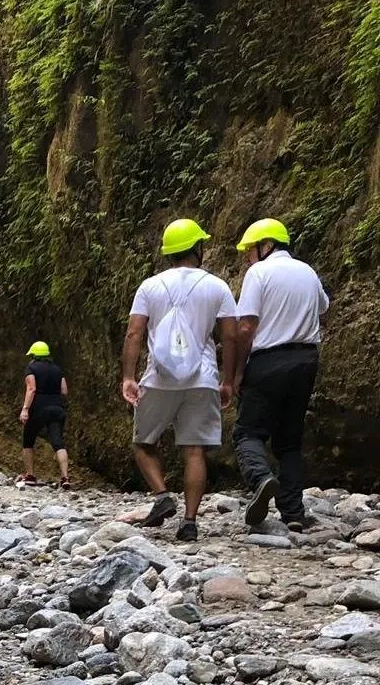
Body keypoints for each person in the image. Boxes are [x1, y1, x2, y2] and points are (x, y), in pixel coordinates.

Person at [120, 219, 237, 542]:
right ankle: (189, 521)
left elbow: (134, 332)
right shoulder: (217, 287)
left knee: (143, 443)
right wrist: (228, 380)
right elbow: (230, 336)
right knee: (194, 450)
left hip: (158, 378)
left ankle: (161, 495)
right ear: (197, 249)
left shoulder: (150, 286)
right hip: (203, 379)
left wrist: (128, 376)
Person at [230, 218, 329, 532]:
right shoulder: (308, 272)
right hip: (306, 358)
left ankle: (261, 479)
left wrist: (238, 371)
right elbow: (324, 308)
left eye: (249, 249)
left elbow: (246, 327)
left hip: (269, 358)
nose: (247, 256)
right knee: (289, 441)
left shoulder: (258, 273)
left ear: (266, 245)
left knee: (248, 433)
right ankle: (293, 512)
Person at [18, 341, 71, 489]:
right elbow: (64, 391)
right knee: (58, 442)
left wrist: (25, 409)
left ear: (34, 355)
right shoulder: (57, 369)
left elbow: (31, 389)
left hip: (38, 408)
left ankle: (30, 475)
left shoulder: (31, 368)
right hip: (57, 408)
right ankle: (65, 477)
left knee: (28, 440)